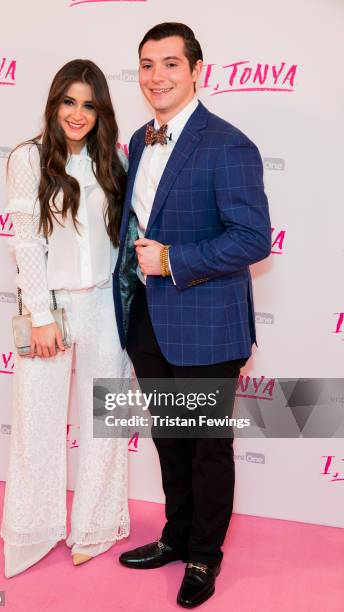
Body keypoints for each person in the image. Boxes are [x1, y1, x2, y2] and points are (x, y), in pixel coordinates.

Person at [113, 23, 271, 608]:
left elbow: (253, 239)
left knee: (206, 448)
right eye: (147, 65)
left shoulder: (228, 143)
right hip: (149, 322)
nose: (157, 77)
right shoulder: (138, 137)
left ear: (198, 70)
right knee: (168, 440)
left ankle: (205, 555)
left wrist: (174, 259)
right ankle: (176, 537)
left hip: (207, 323)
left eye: (171, 64)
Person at [0, 59, 131, 578]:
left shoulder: (112, 162)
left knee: (106, 422)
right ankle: (34, 531)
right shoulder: (28, 158)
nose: (78, 114)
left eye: (89, 104)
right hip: (49, 307)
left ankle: (95, 527)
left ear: (101, 112)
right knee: (37, 423)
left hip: (103, 304)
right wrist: (38, 314)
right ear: (54, 103)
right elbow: (26, 242)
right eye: (69, 102)